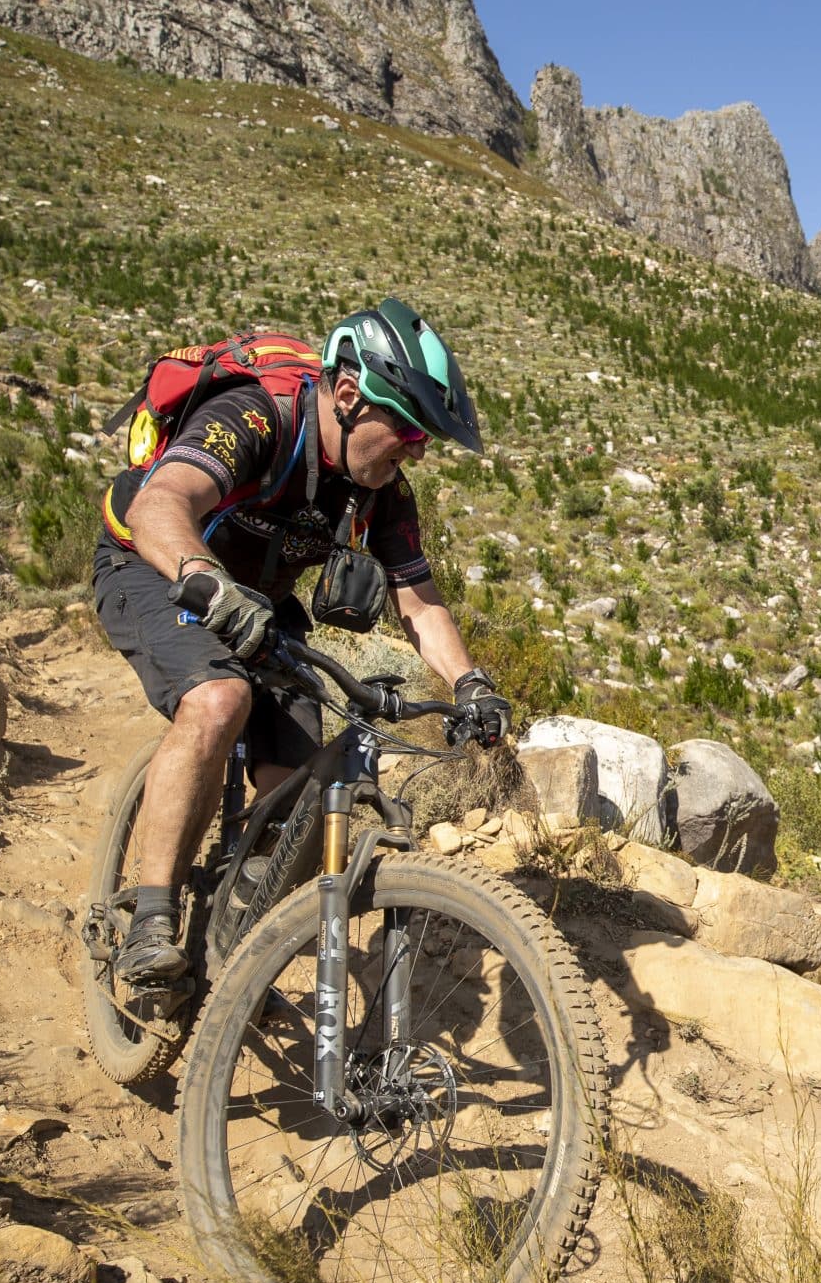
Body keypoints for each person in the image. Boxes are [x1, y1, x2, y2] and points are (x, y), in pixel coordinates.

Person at [91, 298, 509, 1022]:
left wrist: (470, 682)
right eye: (409, 430)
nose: (417, 451)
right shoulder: (259, 417)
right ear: (348, 395)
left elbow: (420, 601)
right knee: (220, 699)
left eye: (426, 439)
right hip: (153, 563)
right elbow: (160, 506)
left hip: (256, 595)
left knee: (293, 784)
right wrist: (209, 586)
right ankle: (152, 918)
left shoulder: (380, 490)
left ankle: (231, 928)